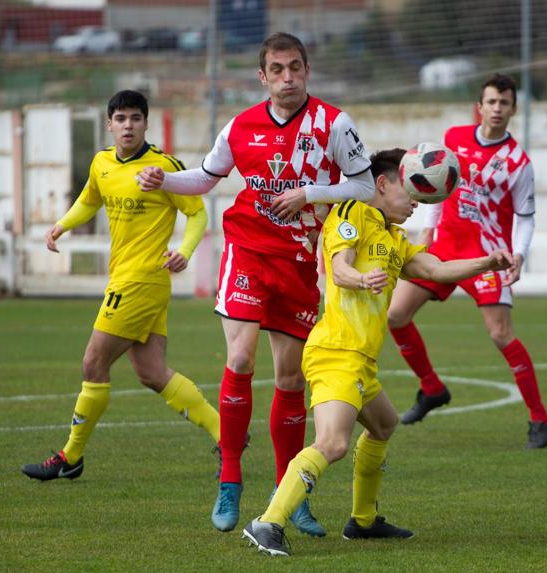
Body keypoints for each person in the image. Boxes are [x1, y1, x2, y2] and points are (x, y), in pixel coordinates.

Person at [138, 32, 375, 535]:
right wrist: (165, 179)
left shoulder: (334, 124)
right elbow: (205, 177)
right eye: (278, 69)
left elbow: (366, 186)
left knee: (290, 379)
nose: (288, 77)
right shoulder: (241, 126)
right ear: (262, 76)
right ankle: (229, 479)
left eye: (296, 68)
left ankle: (292, 495)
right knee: (240, 358)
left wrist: (309, 193)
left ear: (307, 70)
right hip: (247, 251)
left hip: (298, 263)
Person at [241, 148, 515, 557]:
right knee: (332, 443)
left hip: (360, 359)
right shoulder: (353, 211)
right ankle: (268, 522)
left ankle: (363, 521)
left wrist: (487, 262)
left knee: (384, 425)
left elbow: (436, 270)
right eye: (410, 194)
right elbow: (339, 267)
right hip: (336, 351)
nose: (415, 205)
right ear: (383, 184)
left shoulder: (393, 237)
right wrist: (359, 278)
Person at [22, 90, 220, 481]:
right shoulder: (102, 164)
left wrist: (185, 250)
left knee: (93, 363)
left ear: (146, 122)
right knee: (152, 373)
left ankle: (71, 457)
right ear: (109, 124)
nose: (128, 125)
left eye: (135, 118)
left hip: (142, 279)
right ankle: (226, 437)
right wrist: (62, 225)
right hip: (129, 277)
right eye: (121, 119)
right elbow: (90, 199)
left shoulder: (162, 168)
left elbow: (197, 214)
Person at [387, 74, 547, 449]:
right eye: (491, 102)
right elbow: (440, 190)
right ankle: (431, 388)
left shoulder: (518, 163)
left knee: (500, 334)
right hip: (445, 247)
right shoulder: (453, 139)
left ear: (514, 108)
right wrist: (428, 230)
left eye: (504, 103)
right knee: (395, 316)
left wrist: (519, 255)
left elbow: (526, 216)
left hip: (488, 256)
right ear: (479, 106)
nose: (497, 109)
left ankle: (540, 419)